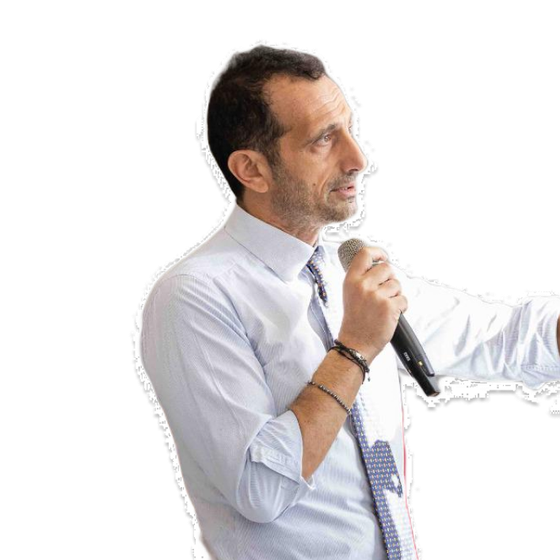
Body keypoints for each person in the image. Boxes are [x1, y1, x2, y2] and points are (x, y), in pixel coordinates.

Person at [138, 43, 560, 560]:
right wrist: (354, 349)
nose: (358, 159)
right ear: (252, 169)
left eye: (349, 130)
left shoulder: (350, 271)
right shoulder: (193, 297)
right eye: (323, 139)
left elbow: (507, 338)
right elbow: (259, 489)